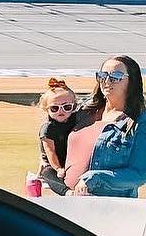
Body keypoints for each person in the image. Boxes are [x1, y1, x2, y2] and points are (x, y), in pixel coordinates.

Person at [73, 56, 146, 196]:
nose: (106, 81)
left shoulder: (140, 121)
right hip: (68, 200)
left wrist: (94, 178)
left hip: (109, 208)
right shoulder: (84, 112)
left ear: (132, 81)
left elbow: (139, 174)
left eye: (115, 76)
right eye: (102, 75)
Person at [34, 78, 80, 195]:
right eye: (54, 108)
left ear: (74, 107)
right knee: (48, 173)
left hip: (70, 159)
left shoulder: (77, 119)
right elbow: (50, 152)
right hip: (51, 163)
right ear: (46, 109)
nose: (61, 111)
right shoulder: (48, 128)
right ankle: (67, 192)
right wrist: (58, 168)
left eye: (67, 107)